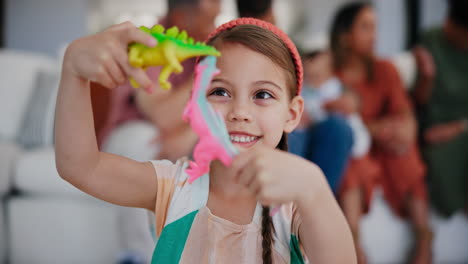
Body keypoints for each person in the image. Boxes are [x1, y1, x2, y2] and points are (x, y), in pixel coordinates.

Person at [55, 17, 356, 263]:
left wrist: (314, 186)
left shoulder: (298, 207)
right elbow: (80, 166)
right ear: (193, 105)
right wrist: (73, 71)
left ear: (292, 114)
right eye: (220, 92)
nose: (240, 112)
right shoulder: (174, 187)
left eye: (262, 95)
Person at [96, 1, 221, 262]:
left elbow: (216, 110)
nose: (214, 26)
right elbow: (162, 116)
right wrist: (204, 70)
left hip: (182, 136)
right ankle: (138, 254)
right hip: (136, 132)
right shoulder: (150, 43)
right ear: (179, 18)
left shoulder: (203, 50)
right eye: (209, 18)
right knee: (144, 144)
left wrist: (189, 133)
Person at [329, 2, 432, 264]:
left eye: (375, 28)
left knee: (405, 152)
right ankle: (353, 245)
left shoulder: (385, 69)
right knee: (350, 157)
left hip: (386, 149)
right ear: (344, 35)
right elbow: (334, 119)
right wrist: (375, 128)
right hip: (358, 148)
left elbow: (405, 114)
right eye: (366, 27)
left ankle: (424, 241)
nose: (375, 35)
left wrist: (405, 130)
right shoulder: (330, 72)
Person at [413, 0, 468, 218]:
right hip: (434, 132)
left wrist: (460, 127)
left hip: (460, 130)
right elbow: (419, 101)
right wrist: (427, 77)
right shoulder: (431, 41)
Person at [301, 50, 370, 159]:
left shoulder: (342, 97)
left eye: (318, 75)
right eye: (308, 75)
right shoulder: (302, 91)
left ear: (330, 71)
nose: (312, 81)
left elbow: (360, 145)